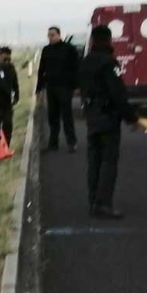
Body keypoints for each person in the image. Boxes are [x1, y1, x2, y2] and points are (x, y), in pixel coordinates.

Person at [80, 25, 139, 219]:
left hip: (90, 116)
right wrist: (131, 118)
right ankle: (103, 203)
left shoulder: (86, 61)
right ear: (108, 40)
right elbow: (117, 94)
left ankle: (92, 201)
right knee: (108, 162)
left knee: (94, 161)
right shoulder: (108, 63)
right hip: (107, 117)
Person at [36, 26, 80, 153]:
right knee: (52, 116)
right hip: (51, 87)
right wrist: (39, 88)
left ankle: (71, 142)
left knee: (67, 116)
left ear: (59, 35)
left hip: (65, 87)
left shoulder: (69, 49)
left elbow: (76, 68)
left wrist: (76, 86)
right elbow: (41, 69)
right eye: (49, 35)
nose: (50, 37)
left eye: (53, 35)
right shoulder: (46, 50)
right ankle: (53, 143)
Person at [0, 47, 20, 146]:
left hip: (7, 101)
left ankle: (6, 146)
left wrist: (16, 96)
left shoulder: (11, 68)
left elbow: (15, 83)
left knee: (7, 124)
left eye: (9, 59)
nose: (7, 62)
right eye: (5, 59)